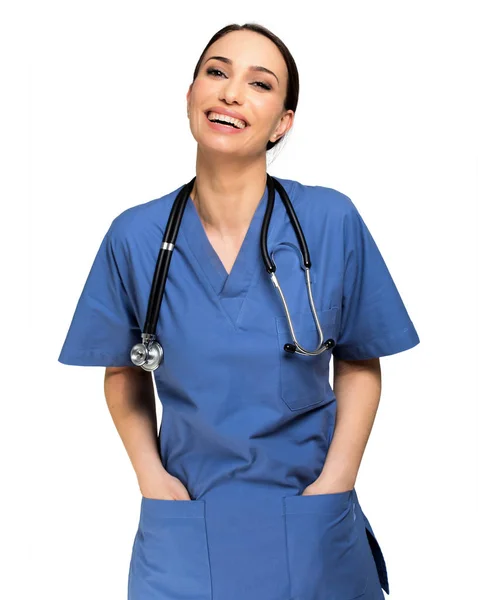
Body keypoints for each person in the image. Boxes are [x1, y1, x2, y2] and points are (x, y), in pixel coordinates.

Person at [58, 22, 420, 600]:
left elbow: (360, 359)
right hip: (186, 525)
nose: (230, 93)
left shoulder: (330, 221)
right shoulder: (136, 237)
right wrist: (151, 479)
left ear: (283, 123)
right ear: (190, 96)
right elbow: (123, 370)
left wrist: (336, 483)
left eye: (260, 84)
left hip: (310, 521)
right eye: (217, 72)